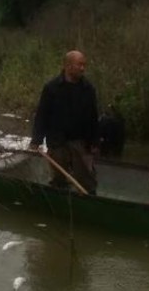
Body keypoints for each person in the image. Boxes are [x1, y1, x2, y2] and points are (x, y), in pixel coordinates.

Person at [29, 50, 99, 194]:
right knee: (58, 179)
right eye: (79, 64)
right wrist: (36, 140)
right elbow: (42, 115)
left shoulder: (88, 89)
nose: (83, 68)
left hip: (80, 141)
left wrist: (94, 142)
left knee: (87, 180)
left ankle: (89, 203)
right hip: (57, 142)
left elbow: (93, 117)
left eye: (84, 65)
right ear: (68, 66)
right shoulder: (51, 88)